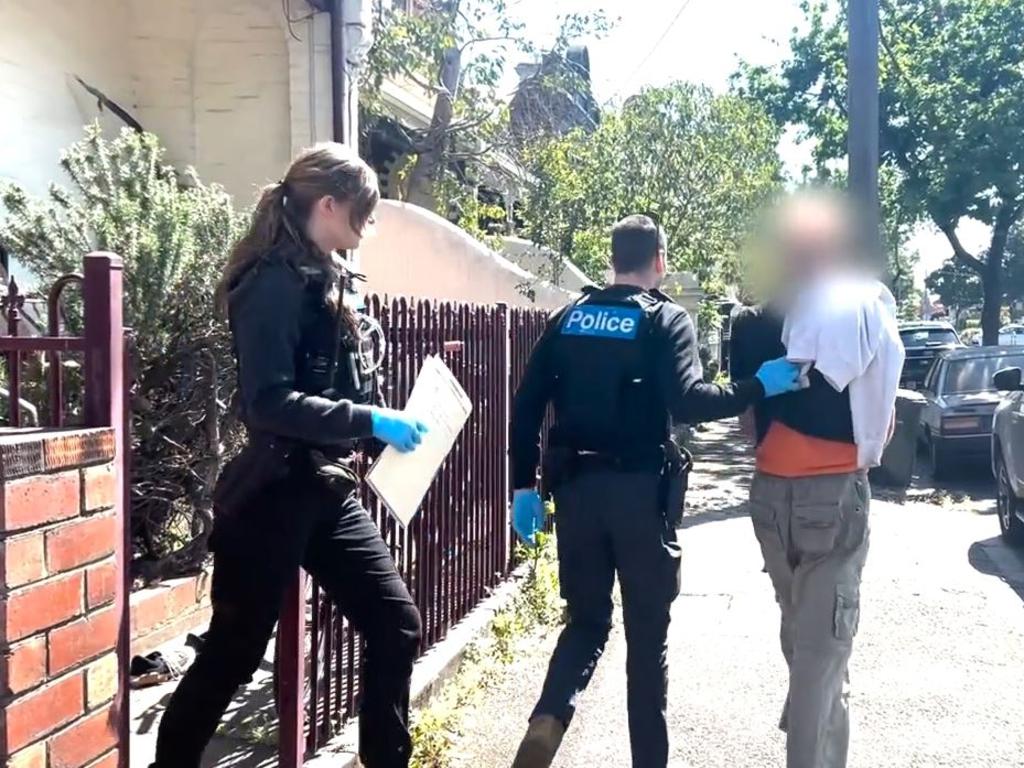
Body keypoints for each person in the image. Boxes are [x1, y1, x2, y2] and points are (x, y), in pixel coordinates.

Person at [151, 143, 428, 768]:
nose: (368, 227)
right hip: (274, 493)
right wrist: (370, 418)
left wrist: (386, 420)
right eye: (365, 212)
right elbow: (268, 402)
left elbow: (334, 384)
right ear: (328, 205)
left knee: (395, 624)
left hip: (325, 490)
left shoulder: (325, 273)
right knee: (235, 652)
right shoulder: (271, 282)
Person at [507, 214, 804, 768]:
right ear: (660, 262)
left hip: (576, 494)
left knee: (587, 621)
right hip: (641, 496)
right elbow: (690, 401)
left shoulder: (568, 317)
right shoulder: (665, 317)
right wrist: (758, 385)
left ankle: (548, 718)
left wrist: (523, 487)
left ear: (613, 258)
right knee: (647, 642)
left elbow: (526, 407)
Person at [730, 192, 904, 768]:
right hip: (832, 497)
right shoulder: (858, 311)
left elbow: (747, 418)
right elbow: (885, 416)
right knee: (820, 656)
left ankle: (821, 719)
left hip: (769, 500)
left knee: (806, 639)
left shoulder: (750, 323)